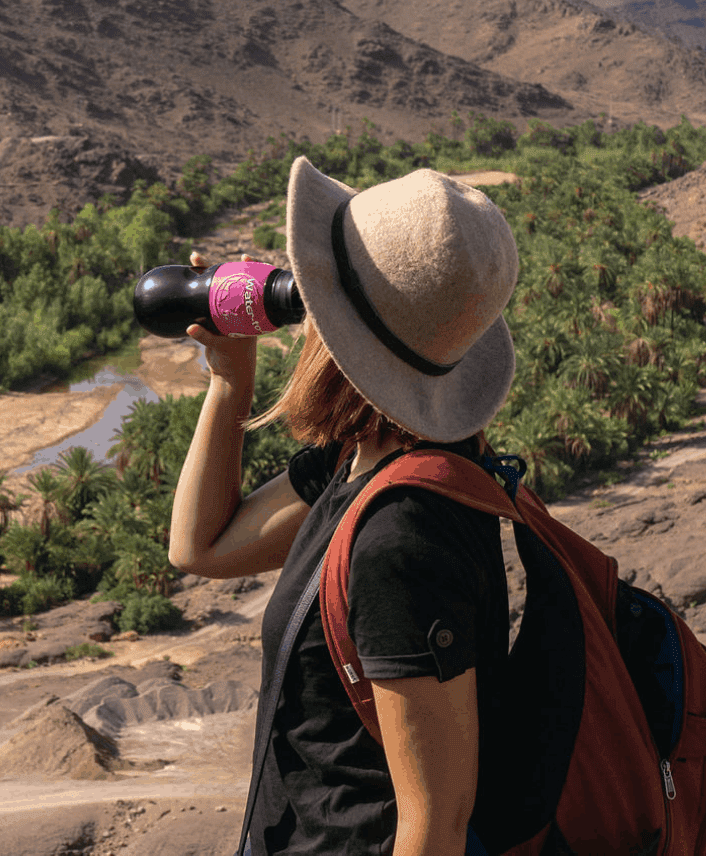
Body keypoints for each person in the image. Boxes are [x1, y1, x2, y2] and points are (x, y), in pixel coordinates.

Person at [169, 156, 520, 856]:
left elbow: (435, 825)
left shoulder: (402, 540)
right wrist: (229, 383)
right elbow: (200, 548)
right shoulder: (356, 463)